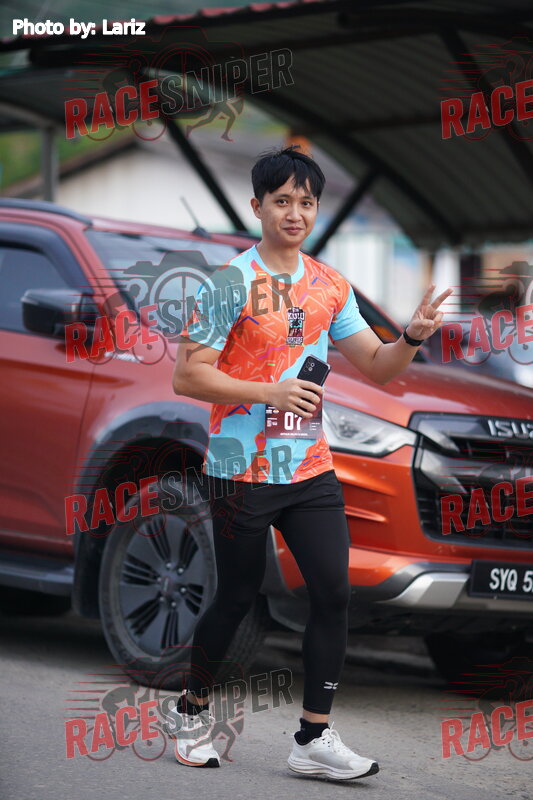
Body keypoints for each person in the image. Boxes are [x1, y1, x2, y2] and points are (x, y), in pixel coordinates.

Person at [171, 144, 452, 779]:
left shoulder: (330, 285)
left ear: (316, 209)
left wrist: (410, 336)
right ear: (257, 206)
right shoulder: (229, 284)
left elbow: (378, 366)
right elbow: (188, 376)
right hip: (240, 469)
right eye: (282, 201)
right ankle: (190, 712)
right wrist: (269, 392)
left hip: (309, 469)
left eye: (306, 202)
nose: (294, 213)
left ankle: (313, 738)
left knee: (332, 593)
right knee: (236, 596)